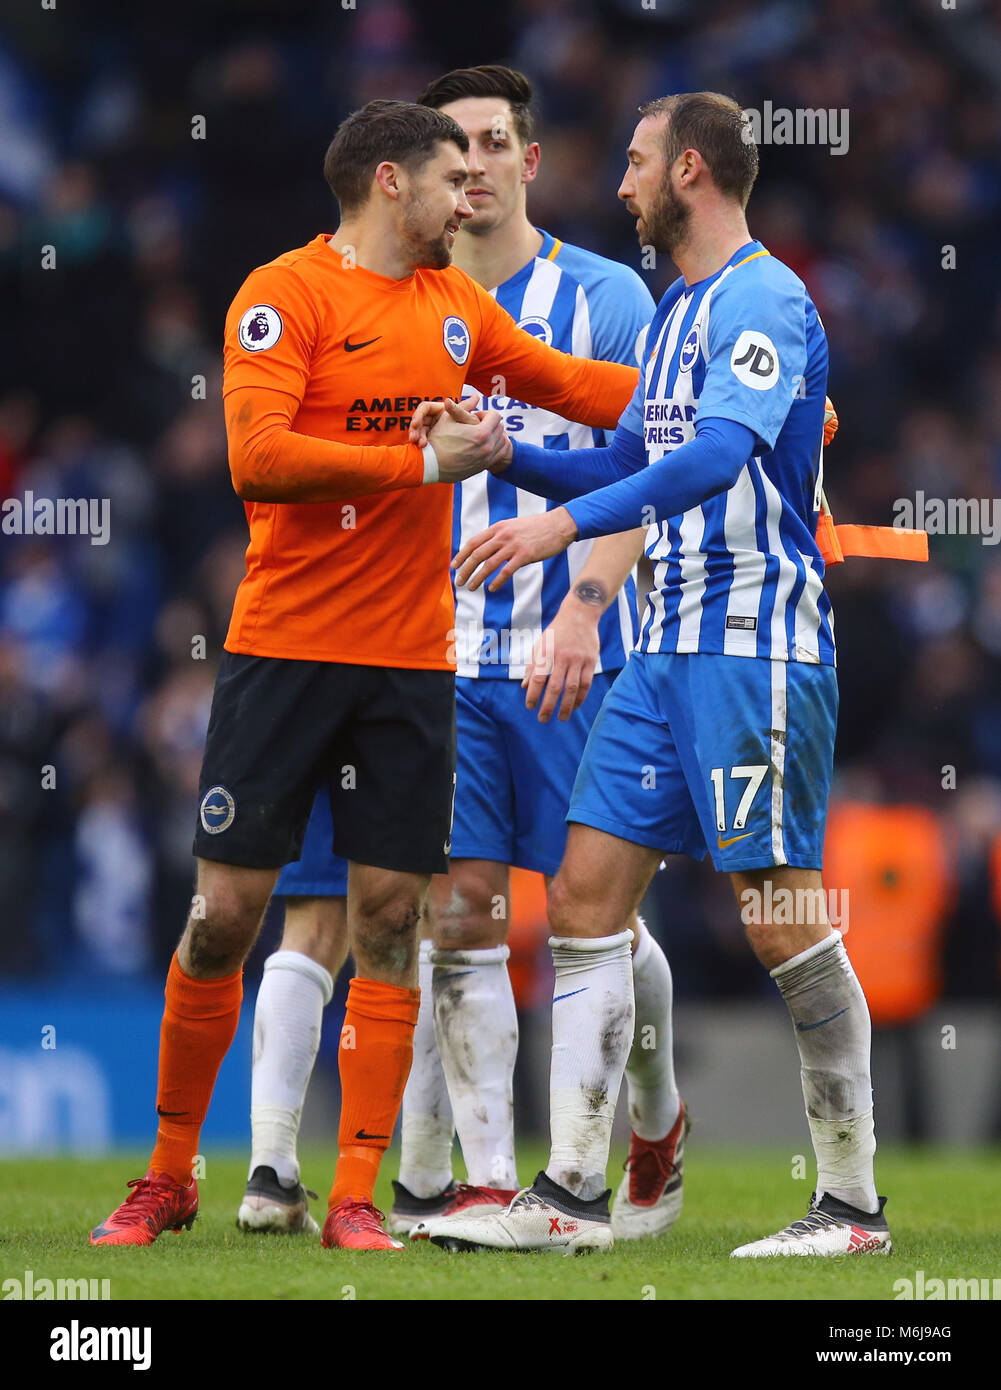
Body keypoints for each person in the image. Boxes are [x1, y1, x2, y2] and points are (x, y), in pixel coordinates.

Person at [89, 98, 636, 1252]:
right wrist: (413, 459)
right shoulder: (282, 295)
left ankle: (352, 1196)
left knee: (391, 919)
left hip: (406, 665)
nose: (466, 195)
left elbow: (573, 385)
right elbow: (259, 456)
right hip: (281, 652)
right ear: (390, 182)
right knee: (226, 914)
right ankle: (170, 1171)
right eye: (449, 177)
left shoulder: (455, 307)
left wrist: (743, 408)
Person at [429, 91, 891, 1257]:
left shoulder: (763, 297)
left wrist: (557, 531)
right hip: (663, 651)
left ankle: (848, 1204)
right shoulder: (679, 308)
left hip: (752, 645)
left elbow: (721, 453)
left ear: (689, 170)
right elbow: (634, 451)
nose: (619, 184)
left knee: (780, 917)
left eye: (634, 165)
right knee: (583, 896)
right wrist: (501, 452)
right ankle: (572, 1193)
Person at [238, 66, 687, 1247]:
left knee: (603, 922)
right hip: (425, 662)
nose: (475, 166)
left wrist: (585, 604)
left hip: (572, 652)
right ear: (421, 174)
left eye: (493, 143)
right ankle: (485, 1180)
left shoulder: (599, 297)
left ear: (528, 161)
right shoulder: (384, 296)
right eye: (457, 150)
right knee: (460, 911)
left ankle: (654, 1115)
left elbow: (658, 454)